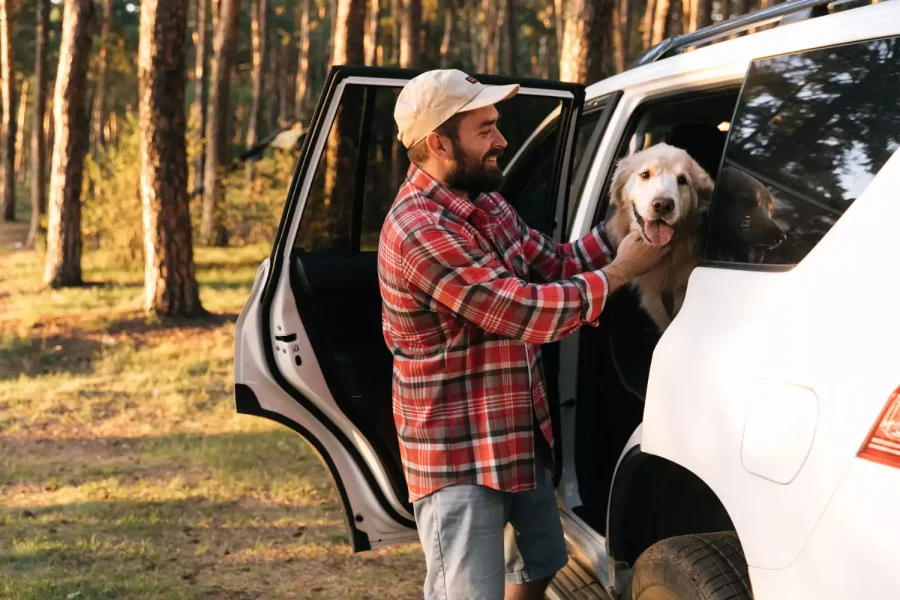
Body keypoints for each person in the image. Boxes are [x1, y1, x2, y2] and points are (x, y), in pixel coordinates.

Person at [377, 69, 668, 600]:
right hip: (459, 457)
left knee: (536, 564)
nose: (502, 139)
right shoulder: (417, 230)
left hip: (516, 436)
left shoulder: (486, 203)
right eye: (485, 129)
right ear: (440, 143)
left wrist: (631, 219)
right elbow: (520, 311)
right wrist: (622, 271)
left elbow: (556, 263)